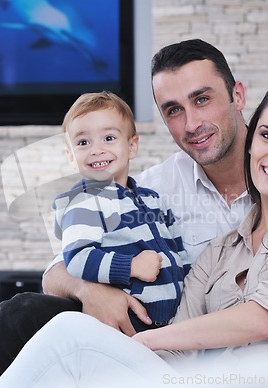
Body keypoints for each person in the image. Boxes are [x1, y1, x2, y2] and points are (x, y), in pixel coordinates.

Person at [0, 39, 268, 386]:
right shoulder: (167, 201)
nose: (191, 123)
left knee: (67, 338)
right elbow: (62, 268)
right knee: (27, 315)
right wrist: (91, 292)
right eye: (173, 110)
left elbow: (263, 315)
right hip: (193, 361)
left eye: (202, 99)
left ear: (238, 97)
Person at [53, 91, 186, 331]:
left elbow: (179, 250)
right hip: (126, 322)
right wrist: (131, 266)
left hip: (172, 323)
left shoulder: (153, 199)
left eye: (109, 138)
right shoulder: (84, 201)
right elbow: (77, 258)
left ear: (132, 146)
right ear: (71, 157)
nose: (96, 149)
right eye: (83, 142)